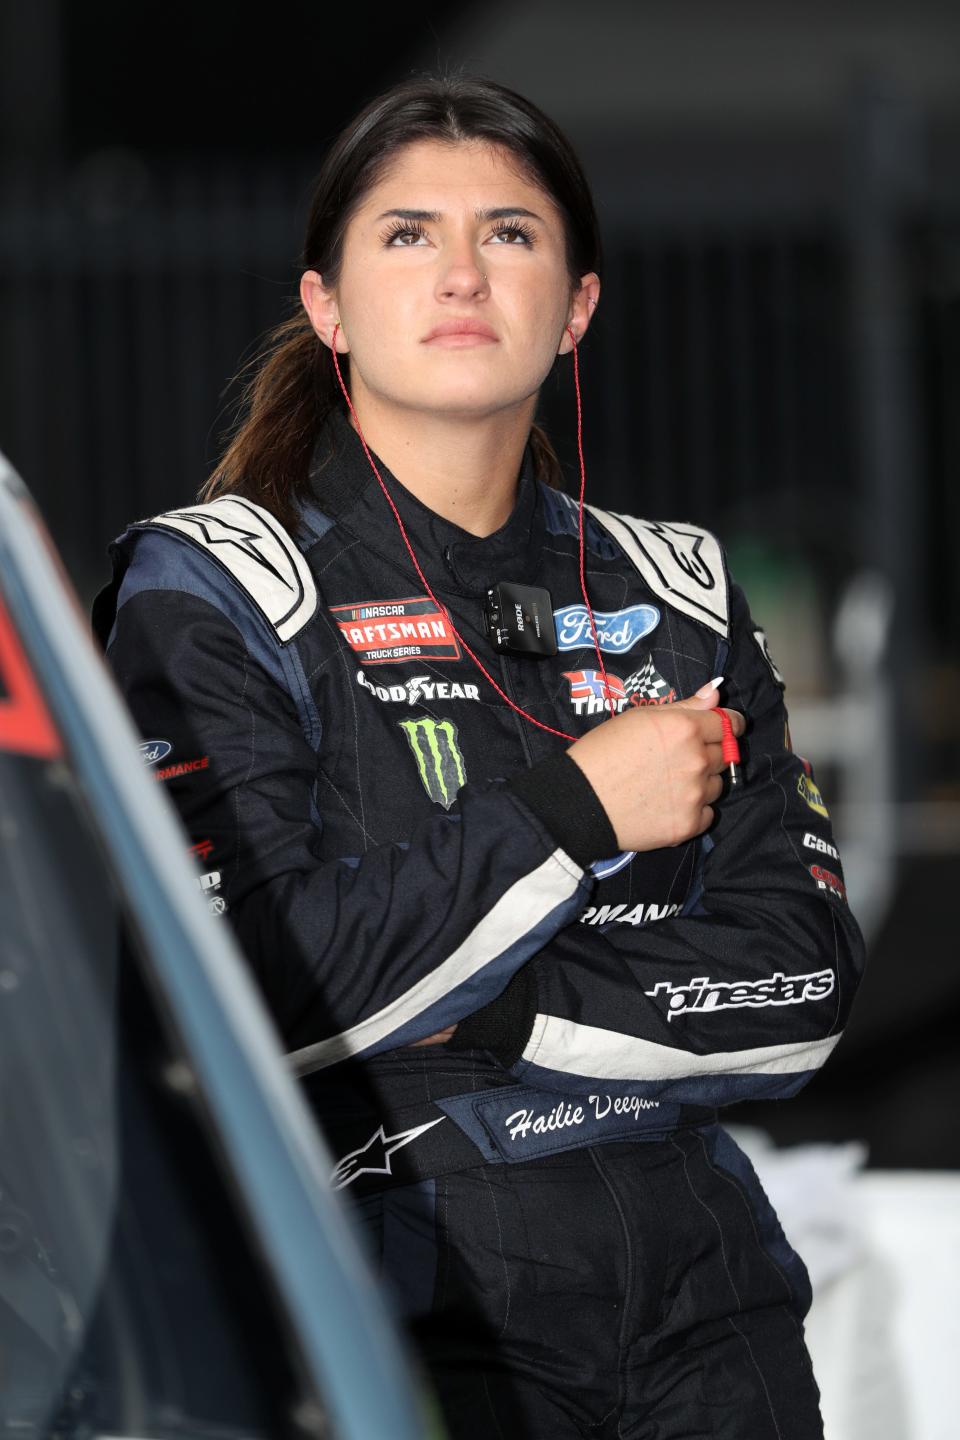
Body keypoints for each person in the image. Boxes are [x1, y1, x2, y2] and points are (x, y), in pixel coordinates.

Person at [95, 73, 865, 1439]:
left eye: (510, 233)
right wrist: (578, 809)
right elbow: (251, 1002)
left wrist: (488, 1005)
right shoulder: (216, 584)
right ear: (328, 305)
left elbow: (802, 987)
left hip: (712, 1302)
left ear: (575, 306)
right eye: (407, 234)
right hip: (395, 1285)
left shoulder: (677, 591)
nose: (461, 271)